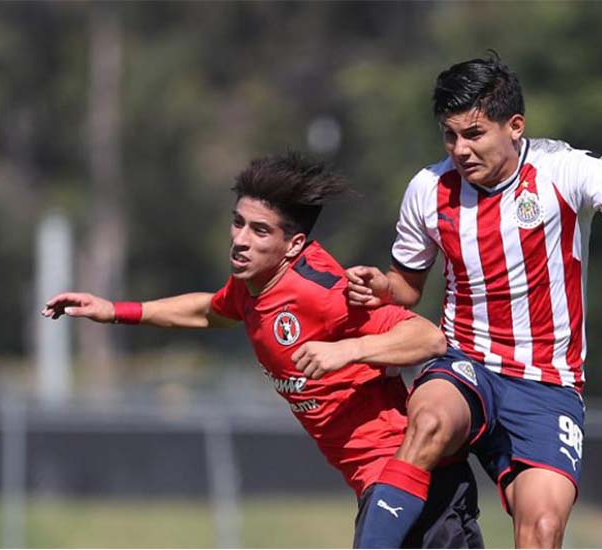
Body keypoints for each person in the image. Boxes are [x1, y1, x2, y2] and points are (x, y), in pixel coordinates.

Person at [340, 53, 602, 548]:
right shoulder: (428, 189)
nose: (460, 149)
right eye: (450, 135)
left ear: (515, 126)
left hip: (548, 384)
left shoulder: (564, 170)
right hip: (465, 362)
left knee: (543, 529)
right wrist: (381, 287)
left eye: (474, 133)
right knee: (430, 421)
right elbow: (407, 287)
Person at [41, 152, 484, 549]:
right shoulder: (253, 285)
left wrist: (348, 350)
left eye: (259, 230)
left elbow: (428, 338)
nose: (241, 240)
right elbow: (210, 311)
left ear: (293, 245)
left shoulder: (320, 290)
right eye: (238, 223)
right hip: (380, 484)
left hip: (415, 480)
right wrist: (114, 310)